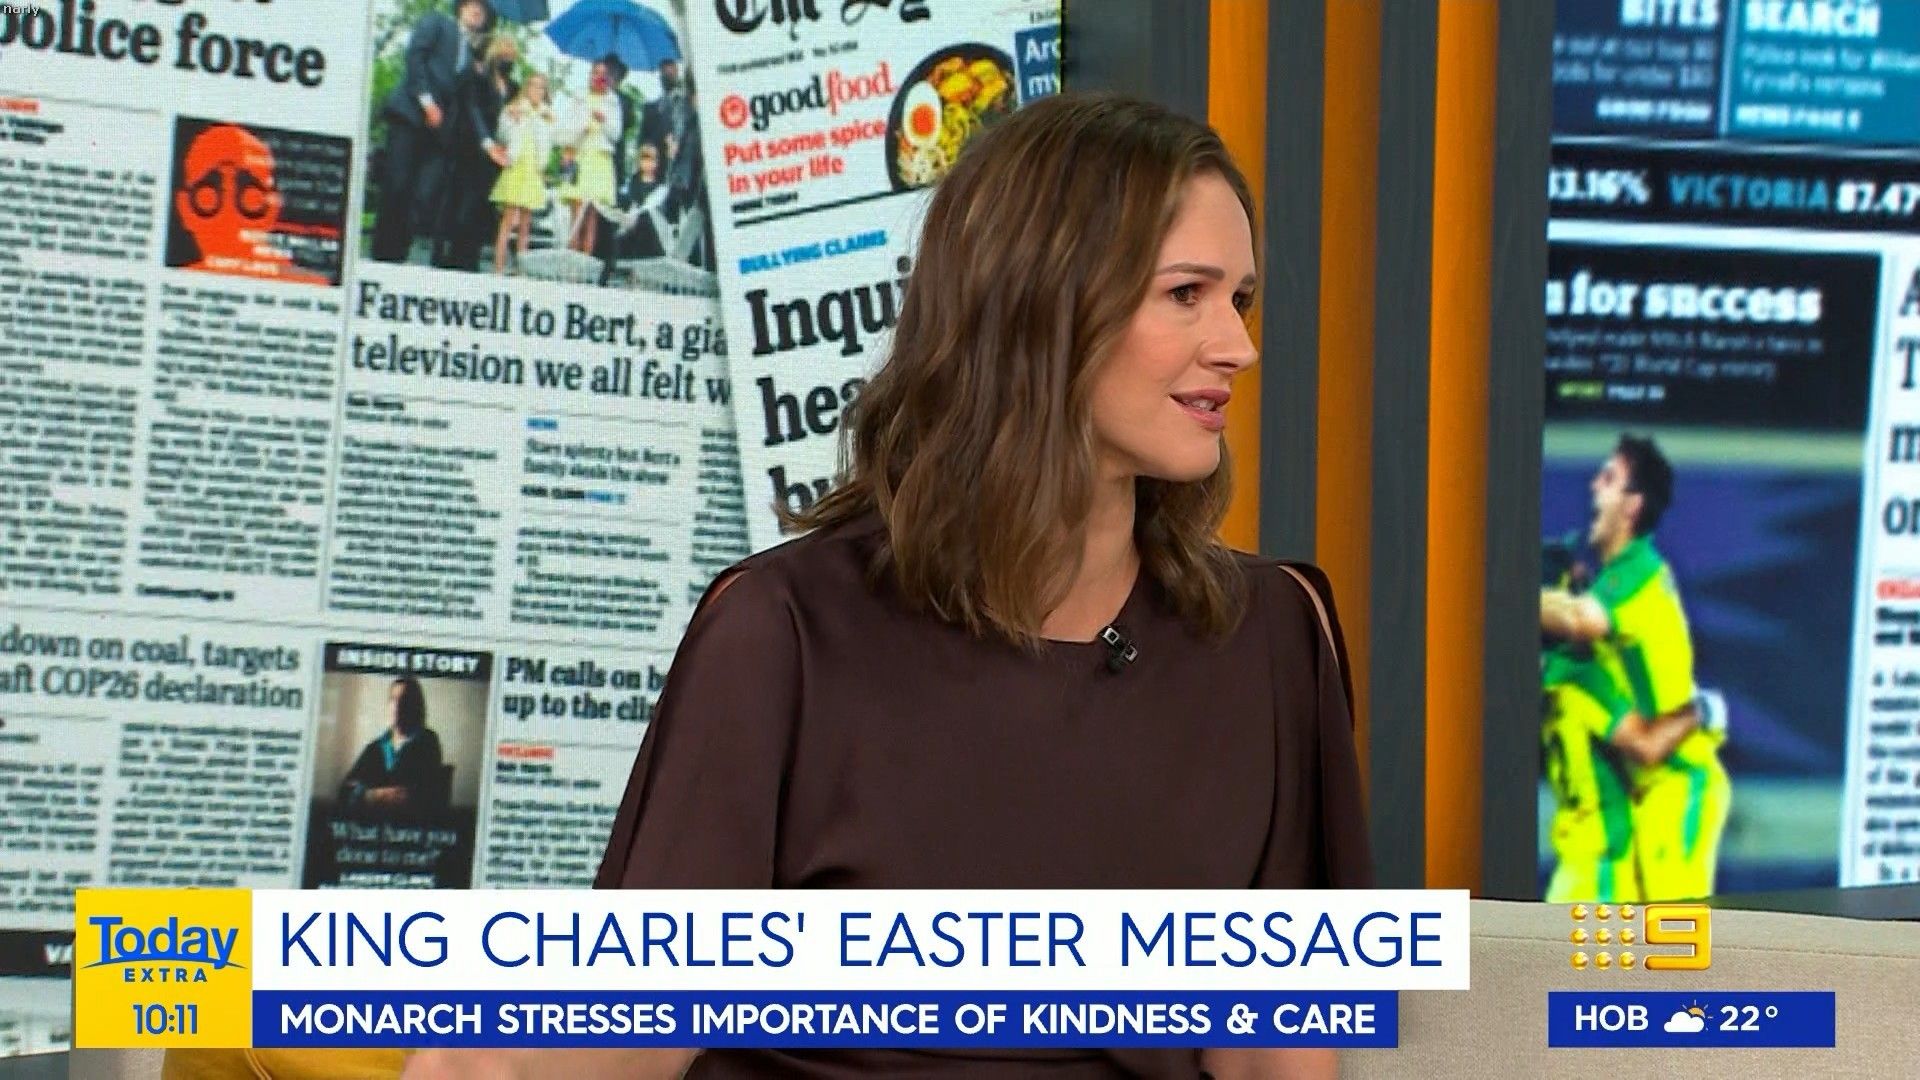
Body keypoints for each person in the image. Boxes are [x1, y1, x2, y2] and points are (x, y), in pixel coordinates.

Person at [405, 92, 1368, 1080]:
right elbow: (637, 1028)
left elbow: (1273, 1056)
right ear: (1040, 303)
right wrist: (481, 1059)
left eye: (1240, 299)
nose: (1238, 346)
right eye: (1187, 294)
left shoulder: (1271, 639)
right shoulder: (786, 632)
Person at [1540, 435, 1731, 901]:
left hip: (1679, 776)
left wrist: (1496, 588)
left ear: (1632, 505)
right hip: (1648, 788)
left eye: (1608, 478)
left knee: (1674, 937)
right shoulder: (1597, 614)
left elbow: (1580, 619)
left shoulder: (1637, 570)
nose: (1593, 485)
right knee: (1654, 939)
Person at [371, 0, 495, 262]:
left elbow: (471, 104)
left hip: (438, 134)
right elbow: (415, 57)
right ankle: (383, 255)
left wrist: (488, 142)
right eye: (473, 5)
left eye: (483, 10)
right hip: (409, 117)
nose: (478, 11)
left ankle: (400, 251)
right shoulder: (437, 22)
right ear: (461, 7)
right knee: (397, 185)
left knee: (424, 194)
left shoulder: (470, 58)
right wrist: (427, 102)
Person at [172, 124, 328, 285]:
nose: (228, 214)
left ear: (273, 207)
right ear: (184, 208)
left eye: (250, 197)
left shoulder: (311, 285)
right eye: (208, 197)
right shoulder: (177, 282)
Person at [432, 32, 519, 270]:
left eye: (512, 55)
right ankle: (450, 257)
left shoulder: (512, 88)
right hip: (470, 149)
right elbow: (473, 112)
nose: (508, 58)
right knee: (462, 205)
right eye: (504, 53)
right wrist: (487, 143)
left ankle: (470, 257)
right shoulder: (477, 78)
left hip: (496, 156)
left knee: (482, 209)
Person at [337, 675, 446, 816]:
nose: (397, 706)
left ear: (416, 706)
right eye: (393, 699)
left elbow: (426, 795)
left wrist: (369, 794)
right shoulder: (375, 747)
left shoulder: (428, 742)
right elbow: (344, 792)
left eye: (404, 700)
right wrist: (371, 796)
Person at [554, 55, 630, 255]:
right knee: (576, 211)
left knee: (591, 215)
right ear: (590, 74)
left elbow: (616, 135)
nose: (599, 77)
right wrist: (583, 127)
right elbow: (564, 132)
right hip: (578, 157)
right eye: (595, 72)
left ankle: (586, 262)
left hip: (600, 159)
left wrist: (603, 121)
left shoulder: (612, 101)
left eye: (604, 74)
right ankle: (572, 260)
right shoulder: (578, 97)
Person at [491, 73, 554, 273]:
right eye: (533, 86)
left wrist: (548, 121)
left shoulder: (547, 115)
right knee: (508, 220)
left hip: (533, 168)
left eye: (541, 87)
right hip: (517, 164)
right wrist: (511, 118)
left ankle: (521, 270)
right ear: (527, 88)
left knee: (526, 223)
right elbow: (501, 135)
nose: (536, 90)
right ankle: (498, 269)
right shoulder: (515, 107)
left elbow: (550, 141)